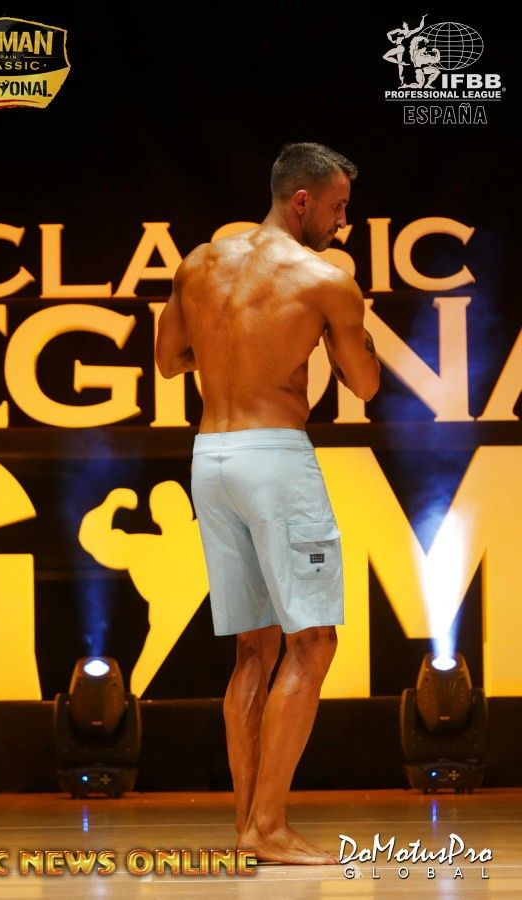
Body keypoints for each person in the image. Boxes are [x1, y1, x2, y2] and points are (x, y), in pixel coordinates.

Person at [155, 142, 380, 865]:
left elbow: (168, 360)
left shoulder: (198, 263)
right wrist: (338, 338)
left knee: (253, 647)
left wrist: (232, 358)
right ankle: (270, 826)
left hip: (210, 458)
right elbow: (365, 384)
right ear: (301, 200)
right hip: (275, 458)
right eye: (338, 208)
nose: (343, 223)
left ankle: (248, 826)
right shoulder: (325, 279)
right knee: (313, 642)